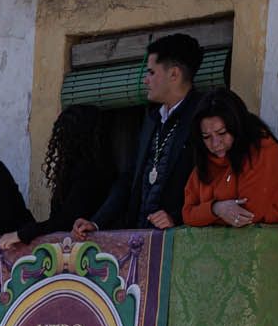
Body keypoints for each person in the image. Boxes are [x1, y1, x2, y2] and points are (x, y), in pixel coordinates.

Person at [79, 30, 206, 231]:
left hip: (182, 243)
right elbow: (130, 178)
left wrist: (177, 217)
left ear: (174, 74)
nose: (145, 80)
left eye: (152, 72)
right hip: (140, 239)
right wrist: (97, 222)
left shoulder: (204, 116)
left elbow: (212, 183)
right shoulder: (151, 119)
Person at [179, 88, 278, 226]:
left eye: (222, 133)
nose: (215, 143)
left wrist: (203, 214)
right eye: (207, 137)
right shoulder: (205, 159)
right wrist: (216, 208)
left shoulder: (262, 150)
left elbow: (248, 214)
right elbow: (187, 214)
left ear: (237, 126)